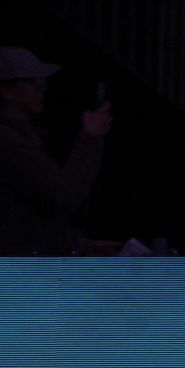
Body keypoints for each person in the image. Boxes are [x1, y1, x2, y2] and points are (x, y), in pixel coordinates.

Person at [0, 46, 112, 255]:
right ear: (5, 90)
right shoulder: (8, 142)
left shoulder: (19, 137)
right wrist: (90, 137)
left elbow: (26, 217)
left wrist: (77, 244)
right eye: (32, 81)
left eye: (41, 81)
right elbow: (63, 195)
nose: (42, 87)